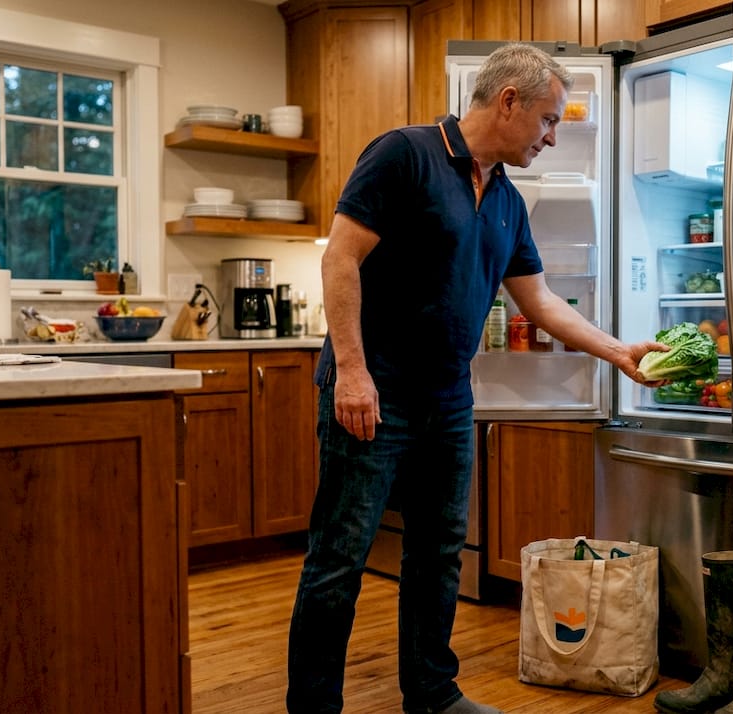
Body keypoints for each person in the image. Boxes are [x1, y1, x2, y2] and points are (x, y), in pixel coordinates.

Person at [286, 42, 669, 714]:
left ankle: (431, 693)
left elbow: (541, 303)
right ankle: (313, 705)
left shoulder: (506, 201)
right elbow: (340, 259)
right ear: (509, 101)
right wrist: (352, 371)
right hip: (373, 394)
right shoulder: (405, 154)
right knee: (340, 558)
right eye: (549, 120)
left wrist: (618, 351)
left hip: (449, 400)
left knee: (437, 556)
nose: (553, 137)